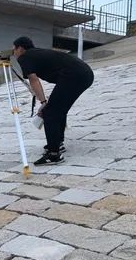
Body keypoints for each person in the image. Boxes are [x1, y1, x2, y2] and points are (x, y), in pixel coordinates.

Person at [12, 36, 94, 165]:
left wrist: (43, 103)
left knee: (50, 112)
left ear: (20, 48)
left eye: (14, 50)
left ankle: (54, 154)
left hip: (73, 76)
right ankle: (57, 143)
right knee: (58, 109)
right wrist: (46, 102)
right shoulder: (38, 53)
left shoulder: (25, 57)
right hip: (85, 73)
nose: (13, 53)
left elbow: (33, 79)